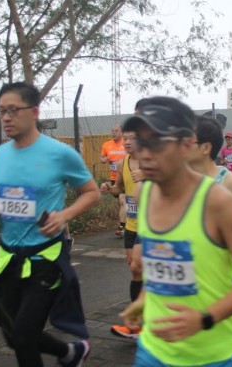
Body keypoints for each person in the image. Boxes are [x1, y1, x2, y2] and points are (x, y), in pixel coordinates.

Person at [119, 98, 232, 366]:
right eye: (141, 141)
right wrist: (143, 299)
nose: (145, 153)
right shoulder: (144, 194)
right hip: (154, 349)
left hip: (214, 353)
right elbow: (160, 264)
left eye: (158, 142)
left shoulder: (218, 201)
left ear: (187, 145)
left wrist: (204, 318)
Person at [0, 82, 100, 367]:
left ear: (34, 112)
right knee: (13, 335)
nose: (6, 117)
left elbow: (92, 193)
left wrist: (64, 215)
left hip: (46, 257)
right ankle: (70, 353)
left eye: (13, 110)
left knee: (23, 335)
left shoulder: (60, 153)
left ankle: (69, 352)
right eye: (1, 111)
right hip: (9, 257)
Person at [101, 129, 145, 339]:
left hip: (151, 226)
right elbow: (119, 188)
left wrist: (147, 175)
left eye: (131, 138)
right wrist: (108, 188)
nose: (127, 142)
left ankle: (139, 320)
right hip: (131, 224)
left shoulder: (152, 162)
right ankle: (138, 322)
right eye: (125, 138)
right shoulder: (122, 163)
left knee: (138, 267)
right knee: (135, 269)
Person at [101, 124, 127, 237]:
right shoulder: (107, 144)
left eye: (116, 131)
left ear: (121, 132)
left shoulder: (126, 143)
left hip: (126, 177)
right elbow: (101, 157)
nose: (113, 133)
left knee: (122, 200)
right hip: (114, 178)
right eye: (112, 131)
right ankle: (128, 222)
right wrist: (104, 159)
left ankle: (122, 226)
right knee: (121, 202)